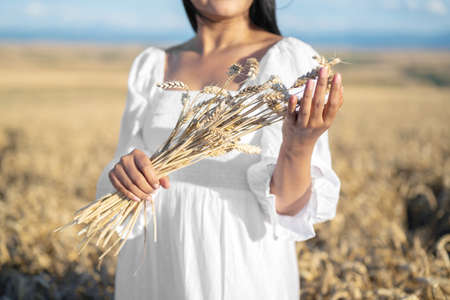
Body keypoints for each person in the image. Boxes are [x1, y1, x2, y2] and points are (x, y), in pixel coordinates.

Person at [95, 0, 344, 299]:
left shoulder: (291, 59)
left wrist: (300, 144)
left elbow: (289, 209)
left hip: (239, 269)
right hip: (153, 266)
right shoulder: (152, 65)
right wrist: (124, 174)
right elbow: (119, 176)